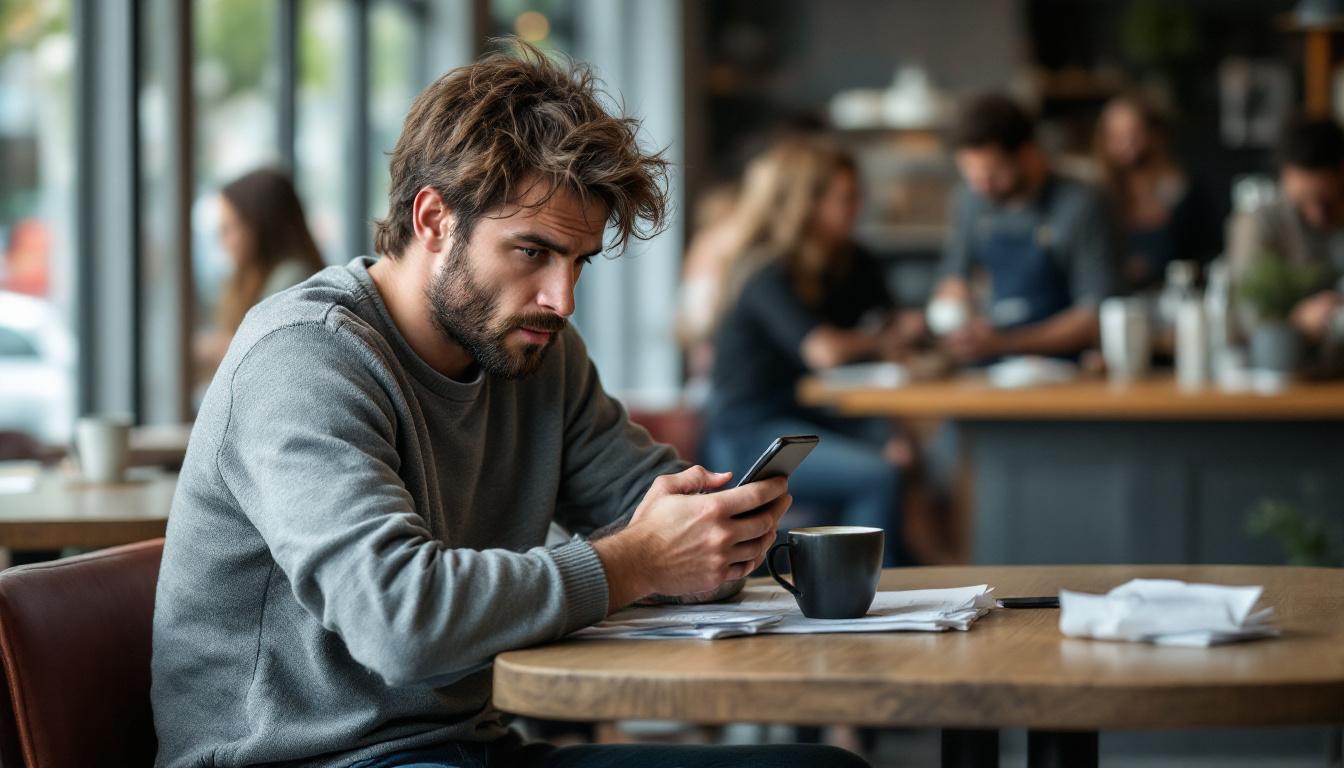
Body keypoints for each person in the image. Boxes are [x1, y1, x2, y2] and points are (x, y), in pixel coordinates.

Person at [151, 44, 867, 768]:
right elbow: (397, 617)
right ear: (433, 219)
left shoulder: (534, 348)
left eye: (578, 260)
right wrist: (642, 561)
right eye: (532, 252)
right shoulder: (305, 357)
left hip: (472, 750)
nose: (563, 299)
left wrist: (714, 535)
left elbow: (640, 505)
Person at [702, 136, 909, 568]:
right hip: (752, 435)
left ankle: (922, 570)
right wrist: (882, 341)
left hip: (809, 422)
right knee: (880, 476)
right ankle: (853, 593)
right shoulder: (766, 271)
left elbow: (892, 321)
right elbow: (825, 352)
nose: (857, 208)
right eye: (846, 198)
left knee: (913, 452)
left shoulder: (845, 261)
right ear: (808, 204)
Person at [933, 94, 1115, 363]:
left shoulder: (1081, 205)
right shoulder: (971, 200)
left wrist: (1007, 343)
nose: (982, 187)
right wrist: (954, 313)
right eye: (972, 177)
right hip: (991, 366)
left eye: (992, 175)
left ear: (1028, 155)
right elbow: (953, 280)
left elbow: (1095, 315)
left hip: (1065, 368)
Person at [193, 168, 326, 382]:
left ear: (258, 226)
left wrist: (212, 350)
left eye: (229, 229)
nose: (222, 241)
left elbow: (267, 351)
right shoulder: (250, 279)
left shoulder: (293, 279)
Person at [1228, 115, 1344, 350]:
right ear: (1284, 178)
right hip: (1286, 365)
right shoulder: (1259, 224)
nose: (1316, 215)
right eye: (1303, 203)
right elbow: (1246, 317)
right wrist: (1297, 321)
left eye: (1328, 202)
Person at [1093, 95, 1212, 292]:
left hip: (1178, 296)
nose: (1127, 145)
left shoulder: (1184, 189)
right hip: (1118, 302)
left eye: (1135, 133)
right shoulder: (1100, 196)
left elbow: (1207, 254)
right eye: (1117, 136)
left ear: (1155, 133)